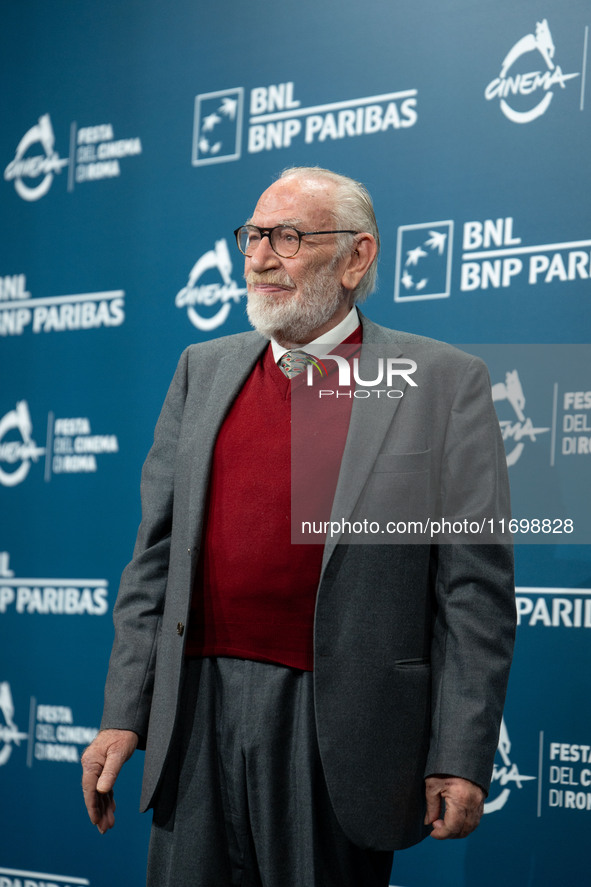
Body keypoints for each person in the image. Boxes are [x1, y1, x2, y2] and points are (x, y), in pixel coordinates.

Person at [82, 167, 515, 887]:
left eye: (288, 237)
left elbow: (473, 593)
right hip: (193, 717)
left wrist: (459, 752)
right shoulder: (201, 369)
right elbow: (152, 565)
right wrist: (124, 712)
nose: (258, 257)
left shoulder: (441, 381)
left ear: (356, 257)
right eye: (252, 235)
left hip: (337, 729)